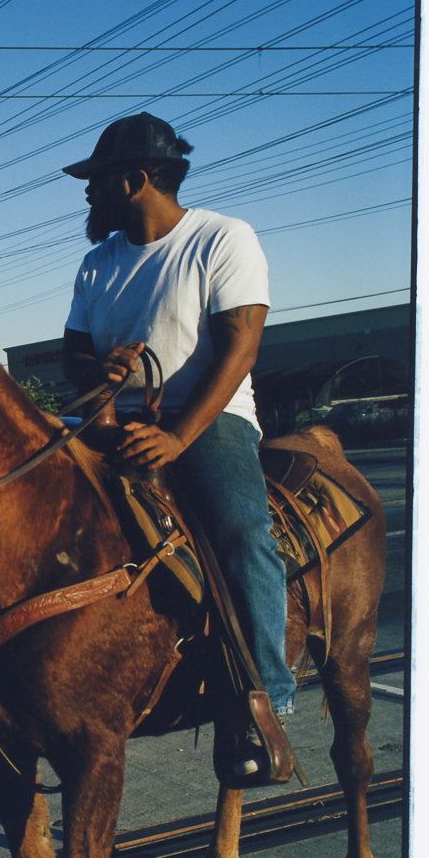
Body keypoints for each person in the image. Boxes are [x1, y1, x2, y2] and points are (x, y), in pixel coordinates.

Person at [57, 112, 294, 783]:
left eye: (96, 183)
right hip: (111, 418)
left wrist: (175, 436)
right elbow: (75, 352)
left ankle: (266, 695)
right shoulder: (96, 263)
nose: (87, 196)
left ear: (133, 180)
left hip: (203, 417)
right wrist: (95, 374)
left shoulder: (223, 239)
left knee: (241, 529)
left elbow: (241, 347)